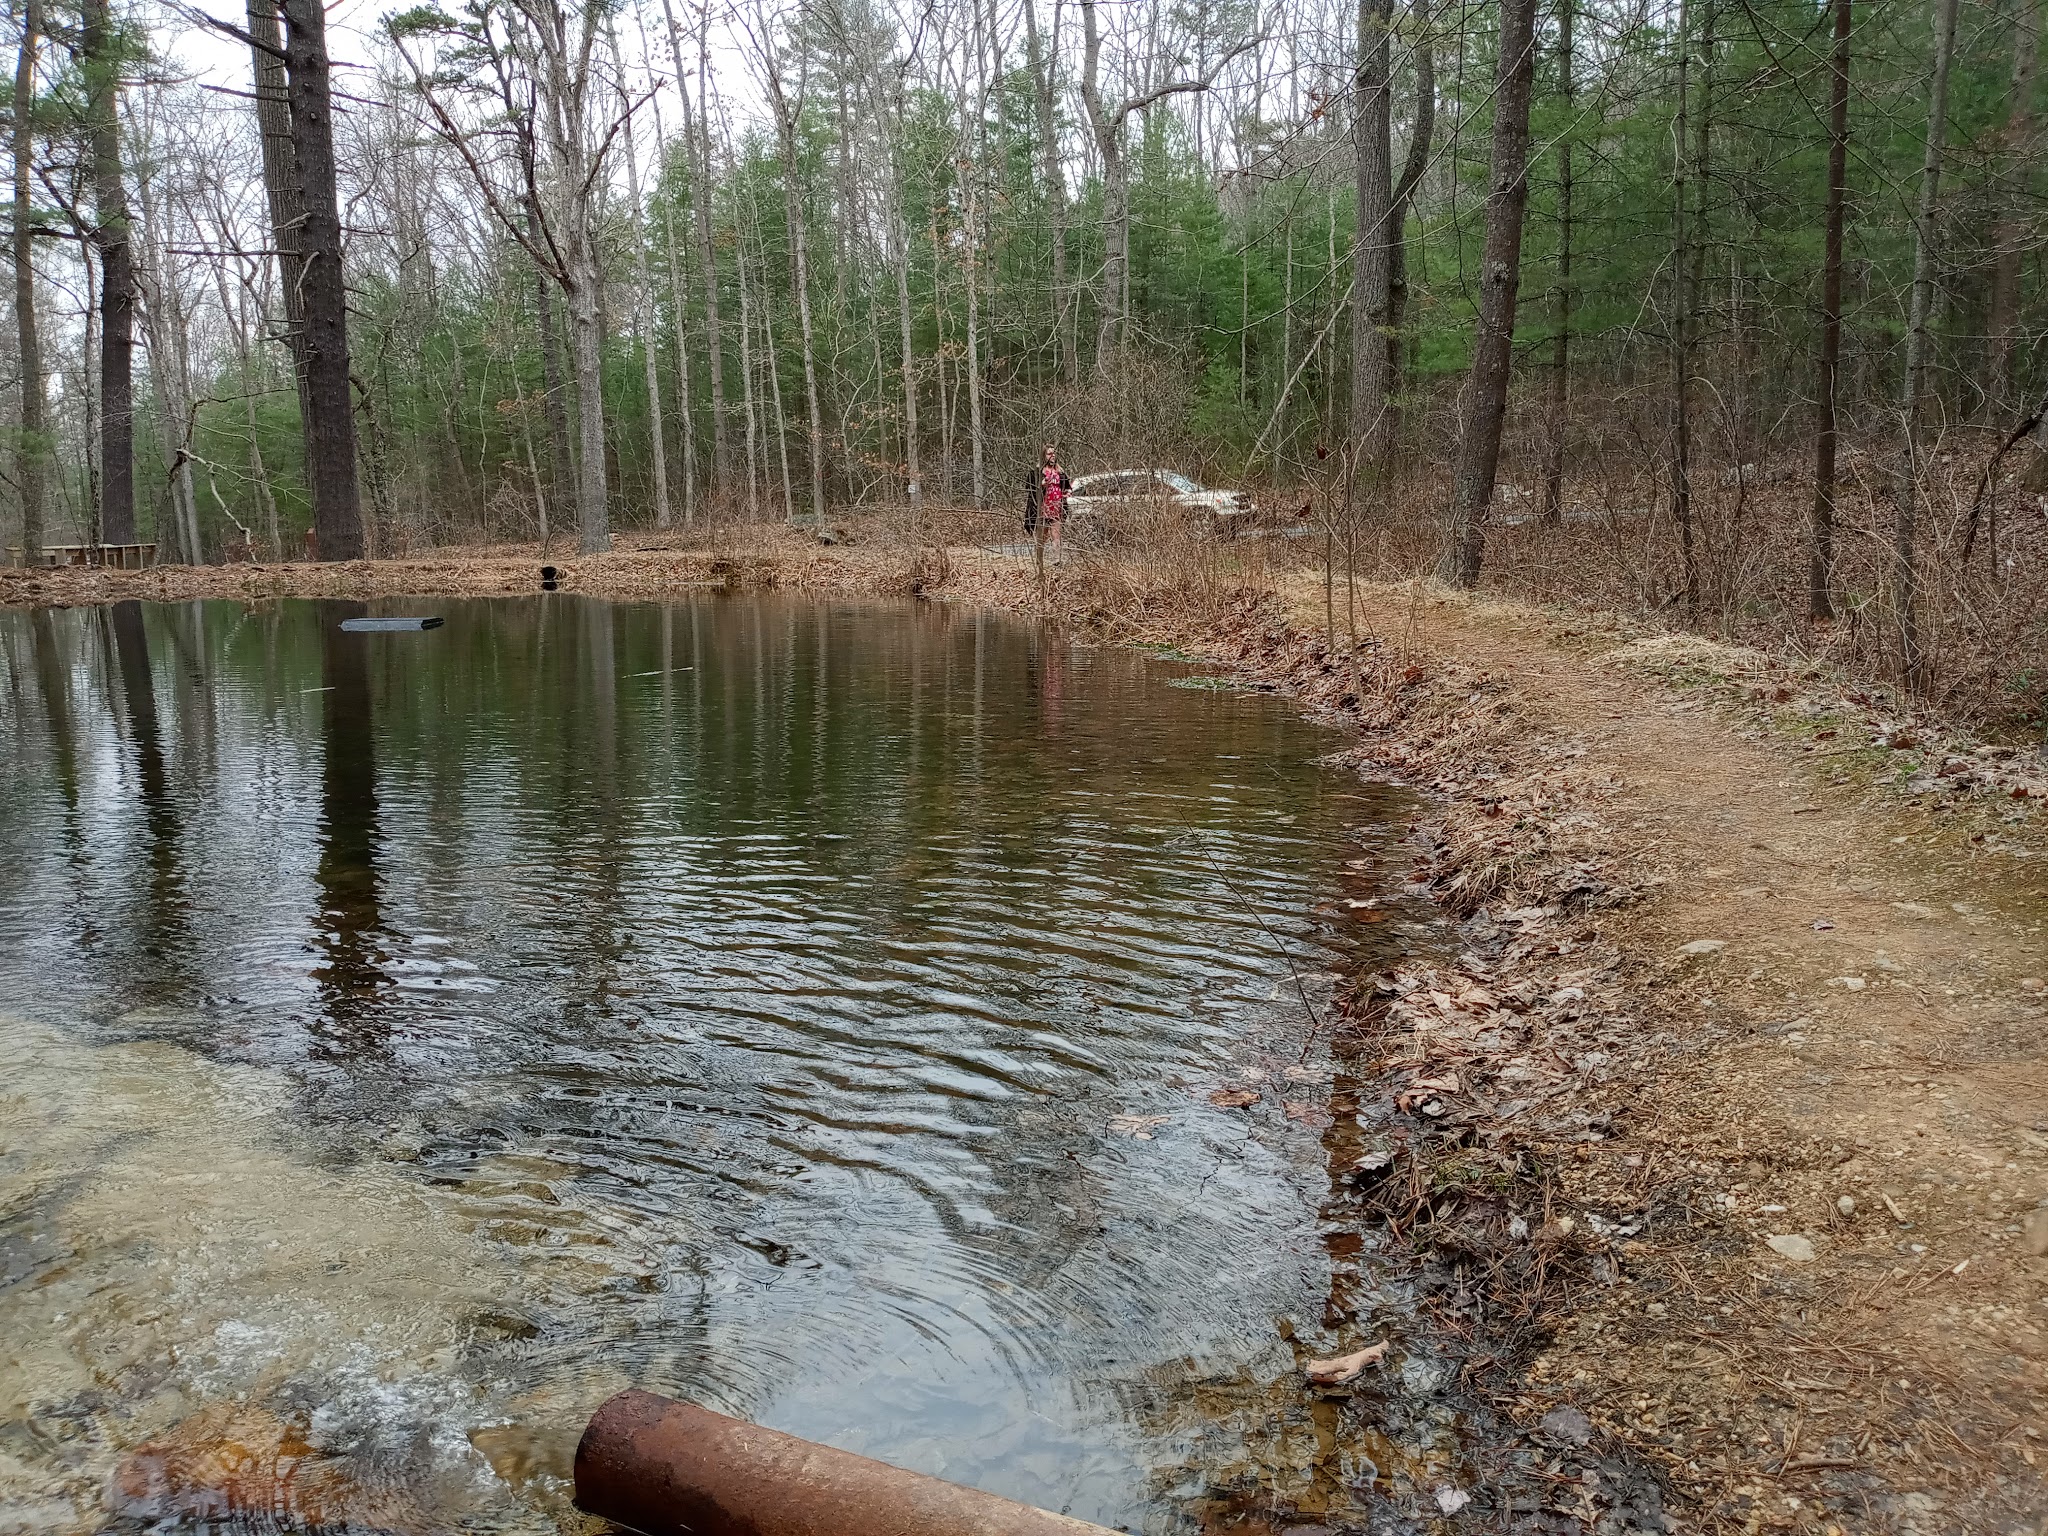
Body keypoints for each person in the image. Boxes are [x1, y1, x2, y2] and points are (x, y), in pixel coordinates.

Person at [1025, 444, 1072, 556]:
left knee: (1056, 534)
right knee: (1042, 536)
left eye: (1054, 453)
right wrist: (1041, 485)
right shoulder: (1037, 472)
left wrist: (1067, 492)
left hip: (1057, 507)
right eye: (1049, 453)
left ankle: (1057, 559)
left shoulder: (1059, 471)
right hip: (1042, 508)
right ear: (1044, 456)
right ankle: (1038, 558)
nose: (1053, 456)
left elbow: (1067, 486)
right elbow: (1030, 488)